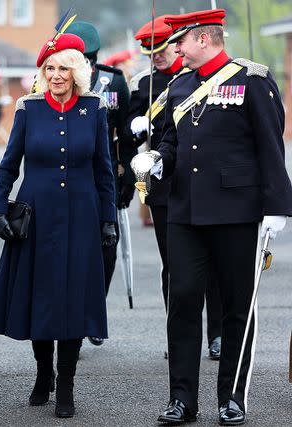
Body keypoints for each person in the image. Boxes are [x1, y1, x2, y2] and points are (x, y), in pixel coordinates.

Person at [132, 9, 292, 425]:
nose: (175, 49)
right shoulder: (180, 84)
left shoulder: (252, 79)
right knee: (183, 301)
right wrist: (159, 160)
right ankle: (182, 398)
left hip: (237, 212)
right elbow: (171, 138)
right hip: (186, 211)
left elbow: (270, 146)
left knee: (238, 304)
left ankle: (232, 397)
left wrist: (277, 206)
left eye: (181, 42)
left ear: (204, 39)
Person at [0, 33, 117, 419]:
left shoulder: (95, 108)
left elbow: (104, 169)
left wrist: (108, 219)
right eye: (50, 69)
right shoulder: (28, 108)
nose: (56, 76)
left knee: (73, 297)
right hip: (35, 213)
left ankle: (67, 384)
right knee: (40, 294)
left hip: (82, 215)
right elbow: (8, 165)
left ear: (77, 71)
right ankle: (43, 374)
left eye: (64, 68)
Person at [123, 15, 222, 360]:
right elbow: (131, 131)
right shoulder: (143, 83)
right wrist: (135, 127)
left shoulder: (198, 77)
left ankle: (217, 334)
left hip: (201, 180)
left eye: (161, 49)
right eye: (150, 52)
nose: (157, 57)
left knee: (212, 263)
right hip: (165, 185)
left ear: (176, 46)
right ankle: (177, 332)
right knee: (175, 265)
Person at [64, 21, 134, 346]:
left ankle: (94, 306)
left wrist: (128, 177)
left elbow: (126, 136)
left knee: (106, 252)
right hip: (70, 178)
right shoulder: (55, 79)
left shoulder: (113, 81)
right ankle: (73, 316)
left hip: (105, 179)